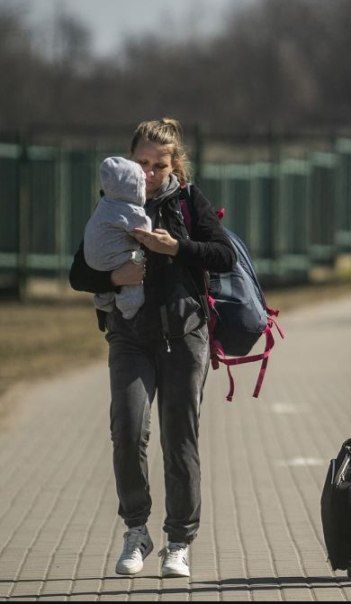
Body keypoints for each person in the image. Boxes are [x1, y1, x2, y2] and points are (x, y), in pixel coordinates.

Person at [68, 118, 236, 578]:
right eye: (141, 163)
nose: (148, 173)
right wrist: (113, 278)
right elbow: (78, 273)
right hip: (129, 336)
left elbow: (224, 255)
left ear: (174, 165)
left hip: (184, 335)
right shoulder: (113, 203)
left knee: (179, 439)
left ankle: (178, 541)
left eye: (158, 165)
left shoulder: (188, 201)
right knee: (127, 429)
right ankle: (136, 530)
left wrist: (176, 247)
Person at [82, 157, 153, 319]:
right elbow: (144, 232)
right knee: (135, 262)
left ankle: (103, 300)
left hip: (92, 259)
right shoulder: (129, 209)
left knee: (113, 267)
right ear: (133, 187)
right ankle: (129, 307)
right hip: (112, 258)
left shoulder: (106, 203)